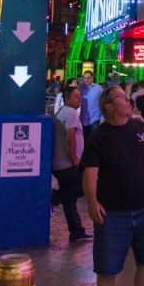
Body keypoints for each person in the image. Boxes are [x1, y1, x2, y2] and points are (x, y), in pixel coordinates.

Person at [82, 85, 144, 286]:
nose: (127, 100)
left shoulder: (140, 128)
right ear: (108, 106)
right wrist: (92, 202)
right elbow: (90, 172)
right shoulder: (99, 138)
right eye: (121, 97)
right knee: (107, 269)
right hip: (112, 213)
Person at [53, 84, 91, 243]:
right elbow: (70, 138)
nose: (79, 99)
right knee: (76, 193)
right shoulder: (71, 113)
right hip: (68, 164)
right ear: (67, 98)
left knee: (69, 199)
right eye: (76, 96)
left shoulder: (61, 112)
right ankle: (76, 230)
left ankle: (76, 230)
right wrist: (75, 159)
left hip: (60, 163)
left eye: (80, 96)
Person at [80, 70, 103, 145]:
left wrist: (102, 118)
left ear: (92, 78)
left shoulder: (99, 89)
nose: (86, 79)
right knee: (83, 141)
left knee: (94, 141)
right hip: (82, 119)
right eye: (85, 78)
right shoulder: (80, 88)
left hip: (94, 119)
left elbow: (103, 103)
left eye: (88, 78)